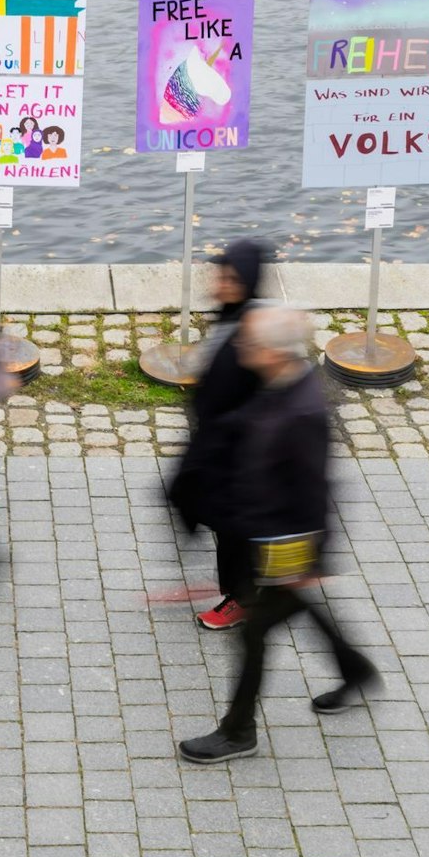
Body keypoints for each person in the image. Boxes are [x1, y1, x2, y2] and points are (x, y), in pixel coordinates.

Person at [179, 304, 380, 764]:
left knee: (255, 631)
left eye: (250, 343)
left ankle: (238, 731)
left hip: (285, 545)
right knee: (288, 610)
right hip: (265, 537)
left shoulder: (301, 412)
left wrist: (310, 560)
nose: (242, 348)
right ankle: (356, 670)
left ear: (272, 351)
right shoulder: (280, 384)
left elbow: (315, 489)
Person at [166, 238, 268, 630]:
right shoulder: (231, 316)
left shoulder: (254, 328)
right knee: (226, 521)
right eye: (220, 275)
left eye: (229, 277)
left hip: (240, 453)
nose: (219, 283)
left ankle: (243, 598)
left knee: (232, 527)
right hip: (224, 446)